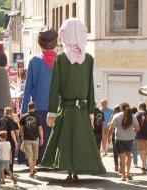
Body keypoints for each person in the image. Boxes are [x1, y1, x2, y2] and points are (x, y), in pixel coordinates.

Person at [42, 18, 106, 181]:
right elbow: (90, 87)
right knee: (79, 140)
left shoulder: (62, 59)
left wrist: (51, 111)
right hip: (81, 110)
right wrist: (91, 111)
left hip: (69, 109)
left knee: (68, 141)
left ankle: (71, 171)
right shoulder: (87, 59)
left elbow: (54, 87)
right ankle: (74, 171)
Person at [22, 28, 58, 164]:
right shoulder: (60, 60)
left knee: (40, 135)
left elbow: (28, 88)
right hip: (57, 106)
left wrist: (24, 111)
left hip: (39, 107)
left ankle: (41, 159)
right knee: (54, 135)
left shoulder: (34, 61)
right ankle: (53, 159)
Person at [109, 102, 140, 181]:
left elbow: (111, 128)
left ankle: (123, 176)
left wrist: (109, 137)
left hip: (119, 139)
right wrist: (132, 130)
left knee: (122, 158)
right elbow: (138, 129)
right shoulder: (133, 116)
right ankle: (128, 173)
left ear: (121, 108)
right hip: (130, 139)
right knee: (128, 156)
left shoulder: (116, 116)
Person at [20, 102, 43, 178]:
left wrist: (22, 138)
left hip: (27, 139)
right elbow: (40, 129)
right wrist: (41, 138)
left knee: (29, 156)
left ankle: (31, 172)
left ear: (28, 108)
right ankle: (33, 169)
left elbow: (21, 129)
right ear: (35, 108)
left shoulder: (23, 117)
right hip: (35, 139)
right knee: (34, 156)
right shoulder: (38, 116)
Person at [0, 107, 18, 173]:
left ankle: (4, 171)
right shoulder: (11, 121)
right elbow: (12, 132)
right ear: (11, 113)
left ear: (4, 112)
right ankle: (9, 170)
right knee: (10, 156)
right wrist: (16, 142)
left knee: (3, 156)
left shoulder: (1, 120)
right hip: (10, 141)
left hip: (2, 141)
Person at [135, 103, 147, 173]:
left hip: (139, 134)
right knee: (146, 150)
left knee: (141, 151)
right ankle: (145, 165)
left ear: (140, 107)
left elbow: (135, 125)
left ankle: (144, 166)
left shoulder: (137, 114)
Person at [108, 105, 121, 172]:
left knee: (115, 151)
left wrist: (109, 137)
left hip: (114, 135)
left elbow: (109, 125)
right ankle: (121, 166)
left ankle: (116, 166)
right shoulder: (123, 115)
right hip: (122, 135)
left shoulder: (113, 116)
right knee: (121, 151)